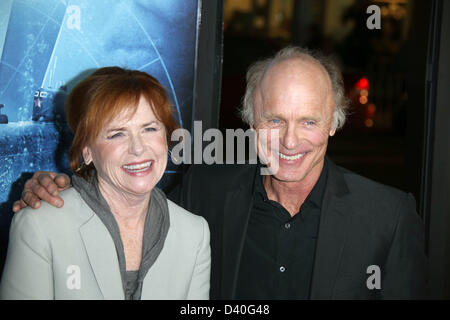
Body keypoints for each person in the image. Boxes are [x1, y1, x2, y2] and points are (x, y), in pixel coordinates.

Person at [12, 47, 427, 299]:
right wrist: (58, 186)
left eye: (310, 122)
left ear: (334, 123)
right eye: (275, 120)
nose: (289, 141)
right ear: (250, 121)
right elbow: (128, 202)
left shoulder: (386, 217)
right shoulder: (205, 195)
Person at [1, 67, 210, 300]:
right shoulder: (40, 227)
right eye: (117, 134)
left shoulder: (194, 233)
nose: (138, 148)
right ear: (87, 150)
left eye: (149, 129)